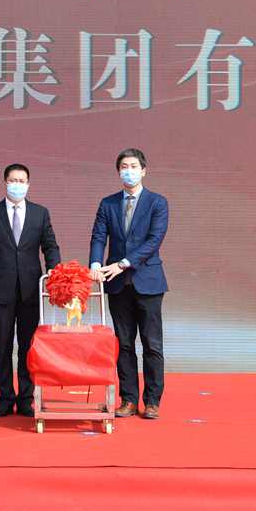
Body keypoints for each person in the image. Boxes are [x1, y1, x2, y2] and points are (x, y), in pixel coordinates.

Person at [0, 163, 61, 418]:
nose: (17, 185)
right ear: (5, 182)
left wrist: (54, 274)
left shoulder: (40, 213)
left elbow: (50, 247)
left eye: (22, 181)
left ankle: (25, 399)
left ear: (29, 184)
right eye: (13, 180)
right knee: (2, 347)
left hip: (30, 292)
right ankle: (5, 399)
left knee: (27, 347)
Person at [89, 148, 169, 420]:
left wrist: (123, 263)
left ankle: (152, 401)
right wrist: (95, 264)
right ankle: (129, 399)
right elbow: (99, 236)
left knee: (152, 344)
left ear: (144, 170)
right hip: (117, 284)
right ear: (118, 172)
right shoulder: (108, 203)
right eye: (124, 166)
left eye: (134, 166)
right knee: (123, 344)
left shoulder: (157, 202)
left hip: (148, 282)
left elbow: (154, 241)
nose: (129, 170)